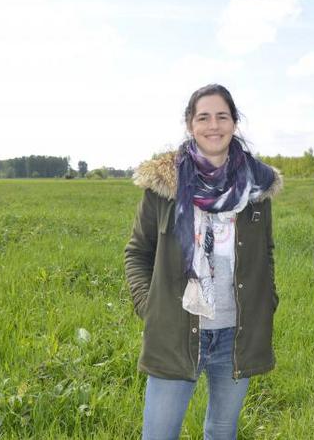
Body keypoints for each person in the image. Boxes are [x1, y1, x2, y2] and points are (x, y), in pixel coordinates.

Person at [125, 83, 282, 440]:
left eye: (222, 116)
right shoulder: (163, 187)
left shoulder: (257, 188)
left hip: (236, 334)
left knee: (222, 430)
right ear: (190, 125)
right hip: (175, 332)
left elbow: (266, 253)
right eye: (204, 117)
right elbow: (137, 252)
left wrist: (267, 300)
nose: (214, 125)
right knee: (159, 433)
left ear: (235, 123)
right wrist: (148, 306)